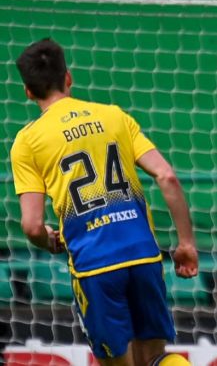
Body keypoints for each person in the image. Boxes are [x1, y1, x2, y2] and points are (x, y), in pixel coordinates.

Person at [11, 38, 197, 366]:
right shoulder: (113, 116)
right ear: (68, 77)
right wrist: (186, 243)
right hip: (143, 254)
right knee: (156, 359)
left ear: (28, 91)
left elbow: (32, 225)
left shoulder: (27, 142)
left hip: (95, 264)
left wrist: (48, 241)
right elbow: (167, 176)